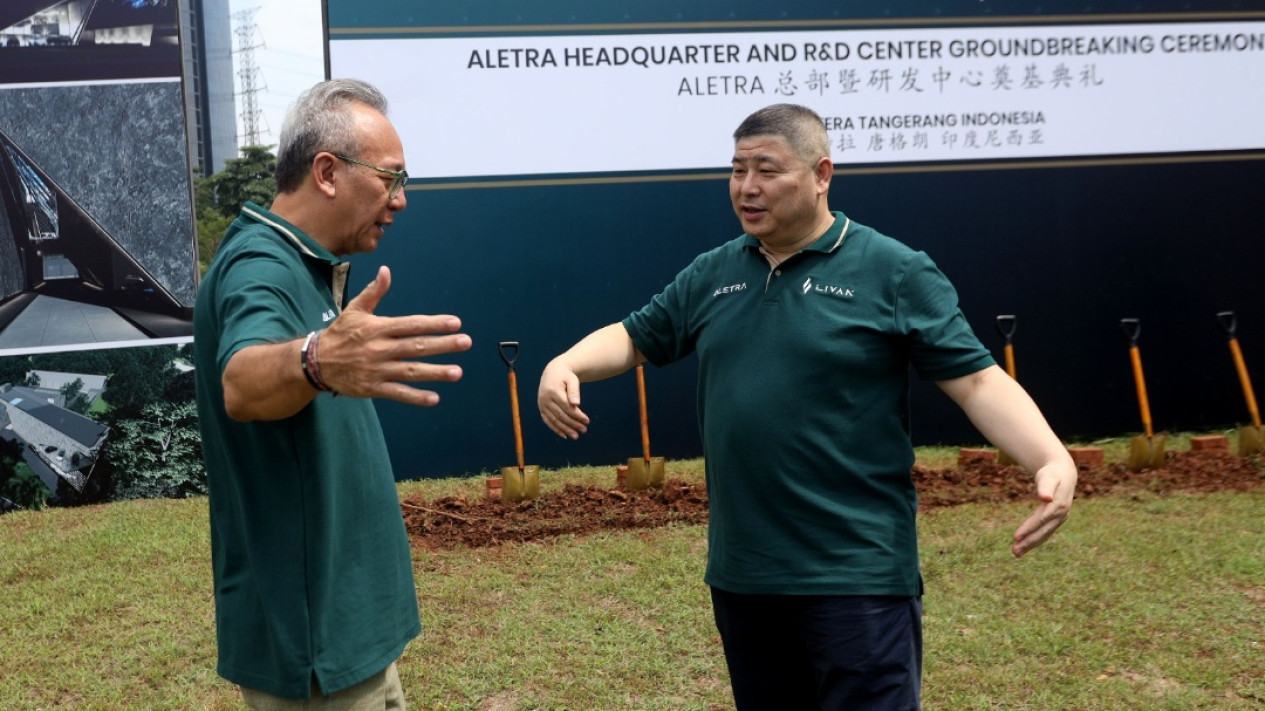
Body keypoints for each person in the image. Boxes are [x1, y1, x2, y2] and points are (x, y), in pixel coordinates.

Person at [536, 103, 1076, 710]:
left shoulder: (892, 271)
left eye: (767, 170)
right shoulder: (715, 272)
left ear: (822, 174)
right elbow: (636, 336)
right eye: (737, 170)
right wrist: (566, 364)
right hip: (744, 575)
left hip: (857, 576)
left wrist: (1049, 458)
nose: (747, 188)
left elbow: (977, 382)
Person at [194, 78, 471, 708]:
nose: (400, 200)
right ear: (327, 172)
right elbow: (241, 382)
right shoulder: (261, 266)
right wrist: (316, 358)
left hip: (344, 637)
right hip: (315, 646)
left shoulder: (302, 263)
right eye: (390, 178)